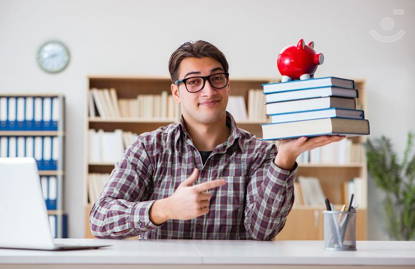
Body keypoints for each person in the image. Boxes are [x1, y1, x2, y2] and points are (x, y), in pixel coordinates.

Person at [89, 40, 343, 240]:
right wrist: (164, 209)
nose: (208, 91)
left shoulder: (260, 153)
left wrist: (285, 159)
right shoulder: (148, 147)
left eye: (216, 78)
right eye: (194, 82)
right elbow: (100, 219)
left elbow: (262, 231)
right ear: (176, 92)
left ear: (228, 85)